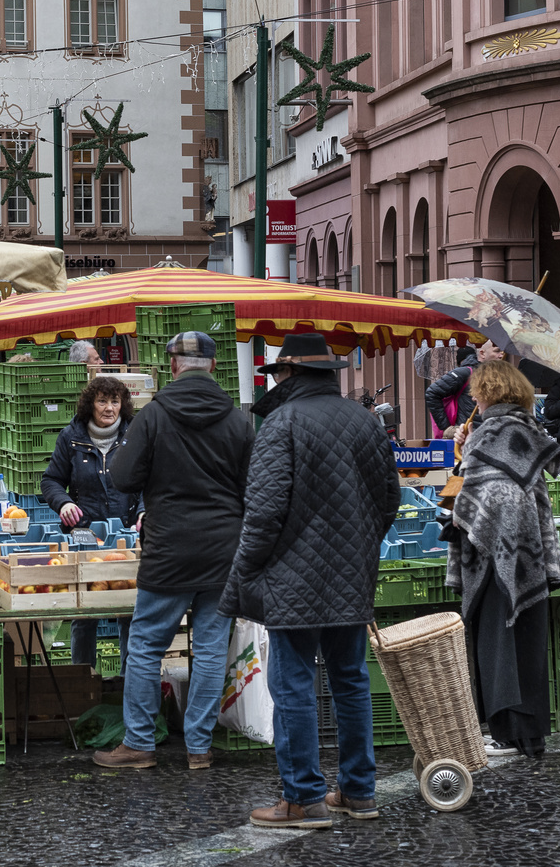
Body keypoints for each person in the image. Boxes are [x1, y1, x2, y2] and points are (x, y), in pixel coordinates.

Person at [223, 334, 400, 828]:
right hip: (351, 573)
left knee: (294, 685)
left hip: (291, 577)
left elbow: (263, 513)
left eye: (278, 372)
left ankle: (303, 798)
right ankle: (359, 792)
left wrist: (246, 572)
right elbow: (391, 500)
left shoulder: (282, 422)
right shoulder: (365, 421)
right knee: (350, 681)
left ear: (289, 374)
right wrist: (360, 547)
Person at [96, 332, 255, 771]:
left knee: (145, 647)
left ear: (172, 367)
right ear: (214, 367)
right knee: (208, 649)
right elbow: (254, 488)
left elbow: (124, 477)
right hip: (224, 550)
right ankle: (199, 748)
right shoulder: (239, 420)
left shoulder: (154, 415)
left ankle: (140, 745)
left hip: (169, 549)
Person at [447, 358, 560, 758]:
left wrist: (463, 470)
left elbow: (488, 497)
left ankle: (507, 734)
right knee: (526, 643)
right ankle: (529, 735)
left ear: (487, 392)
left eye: (476, 393)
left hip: (495, 557)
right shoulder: (526, 429)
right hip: (529, 554)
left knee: (498, 645)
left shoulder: (493, 433)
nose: (473, 399)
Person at [41, 376, 139, 671]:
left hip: (126, 534)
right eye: (102, 401)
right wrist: (64, 502)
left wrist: (144, 513)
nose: (109, 408)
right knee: (84, 611)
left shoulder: (135, 436)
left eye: (114, 401)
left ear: (123, 405)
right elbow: (51, 480)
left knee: (128, 608)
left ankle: (126, 681)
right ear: (90, 404)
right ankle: (82, 681)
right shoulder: (71, 437)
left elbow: (150, 482)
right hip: (84, 536)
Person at [426, 338, 506, 438]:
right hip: (467, 437)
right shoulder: (465, 373)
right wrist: (446, 427)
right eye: (497, 351)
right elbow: (432, 392)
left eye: (502, 351)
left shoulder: (499, 376)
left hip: (490, 436)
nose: (501, 355)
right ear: (482, 354)